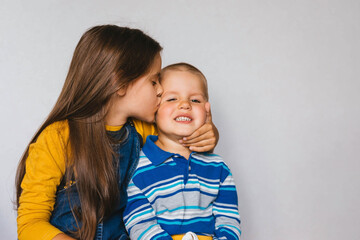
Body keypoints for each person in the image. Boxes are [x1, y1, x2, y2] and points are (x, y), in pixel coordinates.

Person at [15, 26, 218, 240]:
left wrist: (209, 133)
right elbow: (30, 223)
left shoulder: (144, 131)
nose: (161, 90)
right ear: (120, 83)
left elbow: (188, 148)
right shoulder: (57, 138)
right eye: (153, 81)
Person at [123, 63, 241, 240]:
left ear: (207, 111)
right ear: (154, 110)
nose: (185, 105)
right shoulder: (137, 167)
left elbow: (228, 219)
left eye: (195, 100)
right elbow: (140, 224)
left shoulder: (218, 168)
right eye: (172, 99)